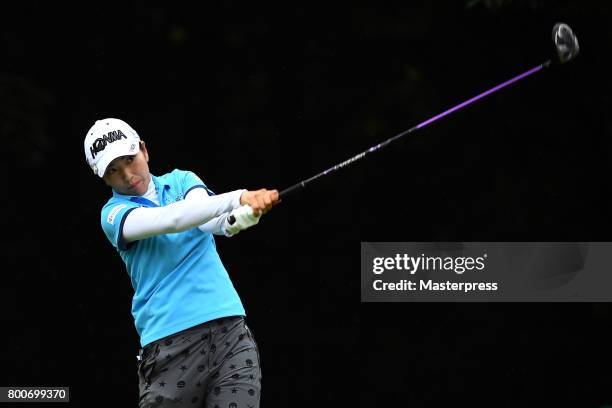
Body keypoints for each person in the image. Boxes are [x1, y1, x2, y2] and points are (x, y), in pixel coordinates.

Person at [83, 118, 278, 408]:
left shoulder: (181, 180)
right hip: (169, 348)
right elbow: (173, 220)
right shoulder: (113, 214)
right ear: (104, 179)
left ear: (144, 150)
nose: (126, 174)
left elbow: (212, 221)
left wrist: (247, 214)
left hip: (230, 334)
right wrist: (240, 197)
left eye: (129, 159)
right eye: (113, 170)